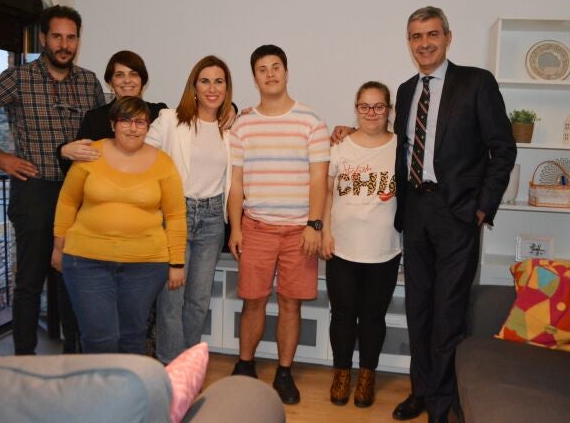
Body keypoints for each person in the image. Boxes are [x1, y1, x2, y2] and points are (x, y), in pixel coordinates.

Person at [390, 7, 516, 422]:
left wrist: (482, 208)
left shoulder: (476, 83)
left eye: (431, 34)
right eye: (416, 36)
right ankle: (421, 392)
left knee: (448, 313)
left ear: (447, 36)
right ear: (409, 42)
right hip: (415, 210)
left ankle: (442, 404)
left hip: (458, 214)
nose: (424, 43)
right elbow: (401, 147)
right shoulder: (406, 90)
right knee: (418, 309)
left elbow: (503, 149)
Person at [0, 5, 105, 355]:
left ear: (78, 40)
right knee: (30, 280)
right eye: (57, 37)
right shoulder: (19, 78)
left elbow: (102, 133)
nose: (64, 45)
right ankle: (24, 359)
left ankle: (74, 356)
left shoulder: (89, 82)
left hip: (78, 194)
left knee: (74, 278)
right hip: (34, 191)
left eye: (71, 37)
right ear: (43, 39)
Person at [227, 44, 330, 405]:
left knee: (290, 304)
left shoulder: (311, 122)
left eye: (275, 67)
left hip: (299, 231)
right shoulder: (243, 124)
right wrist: (235, 227)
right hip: (255, 227)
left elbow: (319, 178)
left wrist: (314, 225)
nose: (270, 74)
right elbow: (236, 183)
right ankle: (245, 365)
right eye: (262, 69)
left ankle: (284, 372)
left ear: (286, 72)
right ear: (254, 77)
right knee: (253, 301)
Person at [51, 96, 187, 354]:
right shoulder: (90, 154)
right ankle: (100, 382)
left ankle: (129, 382)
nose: (133, 128)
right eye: (125, 120)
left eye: (140, 122)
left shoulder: (164, 163)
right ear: (113, 124)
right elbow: (67, 202)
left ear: (147, 127)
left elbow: (176, 215)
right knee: (99, 337)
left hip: (146, 266)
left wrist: (177, 264)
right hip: (86, 261)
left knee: (132, 336)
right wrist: (59, 246)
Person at [147, 55, 235, 364]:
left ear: (227, 88)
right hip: (176, 215)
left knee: (198, 300)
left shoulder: (231, 128)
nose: (212, 88)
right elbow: (141, 154)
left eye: (219, 81)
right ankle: (170, 366)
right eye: (205, 81)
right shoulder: (170, 120)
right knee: (171, 299)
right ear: (193, 87)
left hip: (212, 220)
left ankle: (188, 366)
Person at [321, 81, 402, 409]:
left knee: (373, 316)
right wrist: (324, 232)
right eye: (364, 106)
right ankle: (341, 373)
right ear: (356, 109)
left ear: (389, 110)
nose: (371, 112)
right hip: (342, 246)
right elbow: (327, 193)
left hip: (384, 248)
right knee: (342, 315)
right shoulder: (340, 145)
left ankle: (367, 374)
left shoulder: (401, 147)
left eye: (378, 106)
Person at [57, 50, 167, 172]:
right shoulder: (95, 118)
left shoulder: (159, 114)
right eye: (119, 75)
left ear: (142, 80)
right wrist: (63, 151)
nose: (127, 80)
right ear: (110, 82)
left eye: (133, 74)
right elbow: (75, 167)